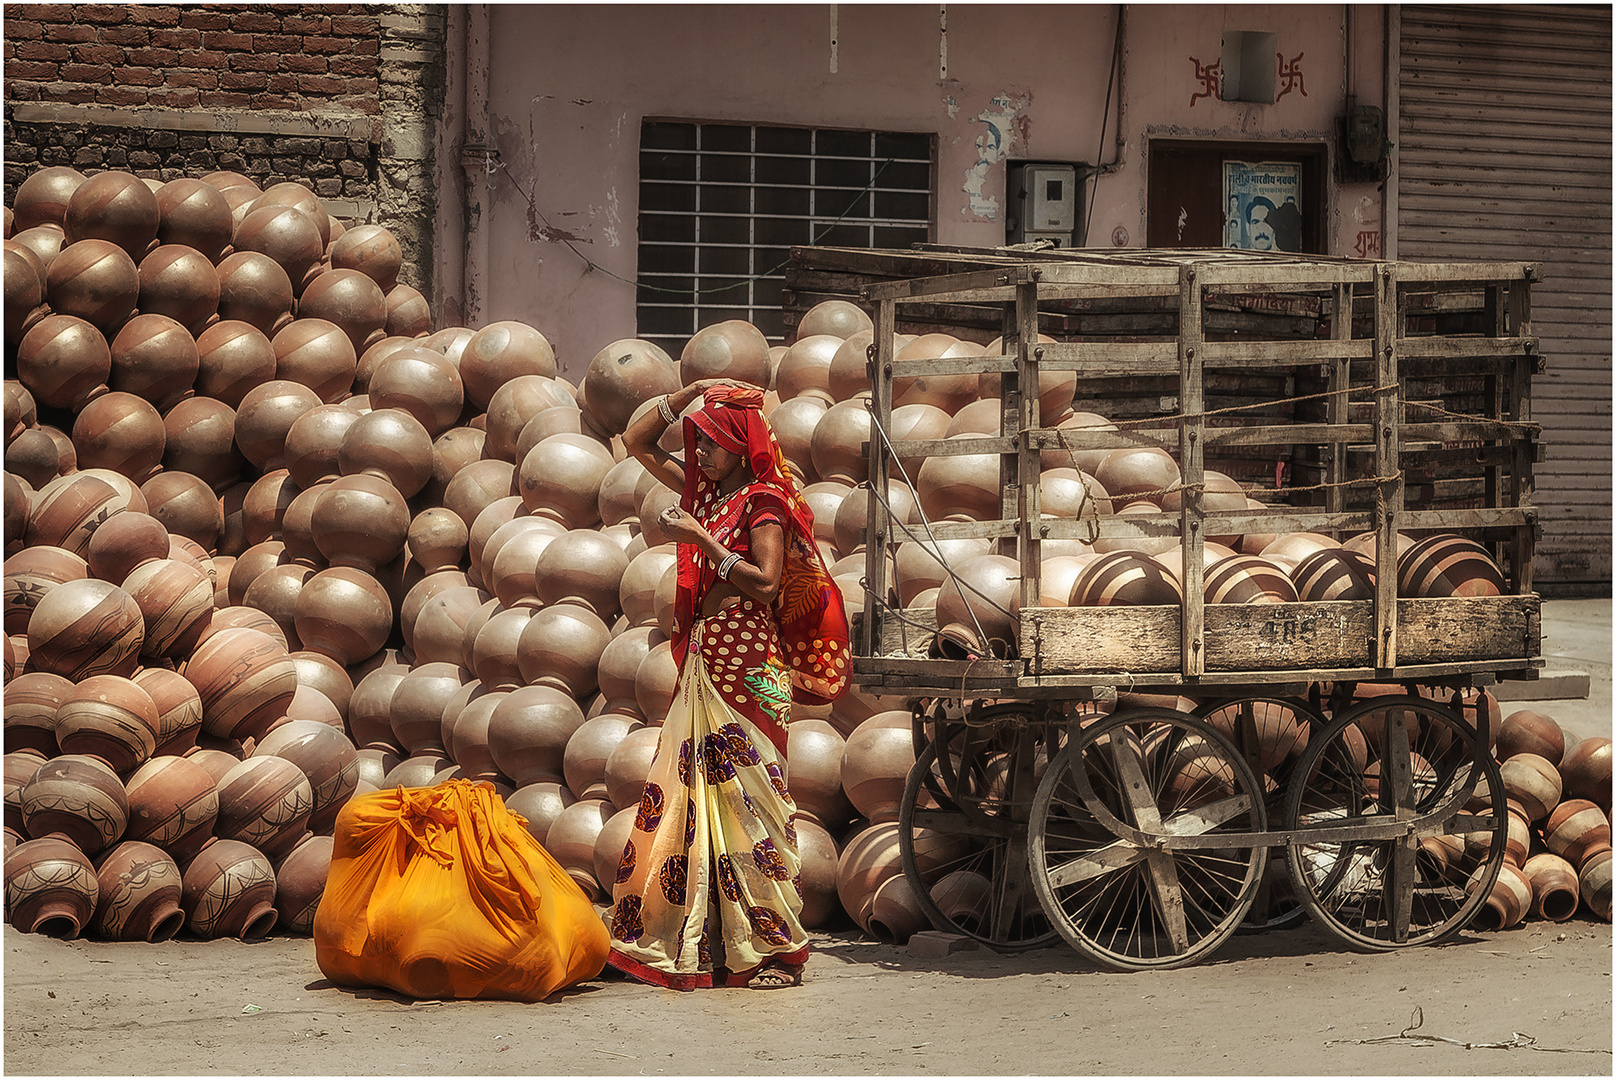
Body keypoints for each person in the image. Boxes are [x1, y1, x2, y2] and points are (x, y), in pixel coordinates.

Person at [607, 379, 850, 990]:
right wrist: (685, 391)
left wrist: (703, 544)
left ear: (741, 446)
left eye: (712, 443)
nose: (702, 455)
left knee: (752, 806)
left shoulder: (763, 503)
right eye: (699, 443)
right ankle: (699, 938)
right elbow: (634, 438)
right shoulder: (708, 495)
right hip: (707, 664)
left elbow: (766, 586)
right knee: (690, 799)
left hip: (749, 668)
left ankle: (773, 950)